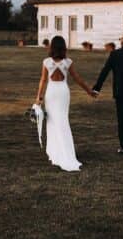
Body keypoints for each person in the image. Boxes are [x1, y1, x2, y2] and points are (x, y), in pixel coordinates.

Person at [34, 35, 95, 171]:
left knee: (53, 122)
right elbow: (77, 79)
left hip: (52, 92)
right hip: (62, 92)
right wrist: (89, 91)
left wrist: (39, 98)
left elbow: (43, 80)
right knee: (62, 121)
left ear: (52, 47)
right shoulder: (68, 62)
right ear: (63, 48)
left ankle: (56, 151)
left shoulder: (46, 62)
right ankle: (64, 151)